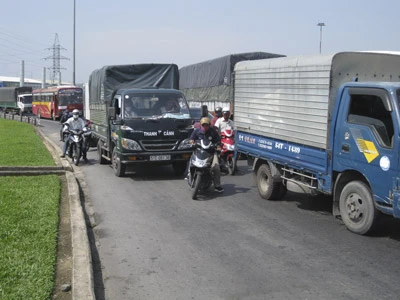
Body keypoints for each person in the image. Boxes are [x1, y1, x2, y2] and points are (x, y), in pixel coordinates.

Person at [189, 117, 224, 192]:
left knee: (216, 167)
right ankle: (189, 174)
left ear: (209, 125)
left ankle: (217, 185)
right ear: (201, 125)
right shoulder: (197, 131)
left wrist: (218, 146)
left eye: (206, 125)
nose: (205, 127)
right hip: (199, 151)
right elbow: (192, 139)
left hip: (211, 152)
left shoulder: (213, 132)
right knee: (191, 161)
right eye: (203, 125)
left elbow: (218, 141)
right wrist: (192, 142)